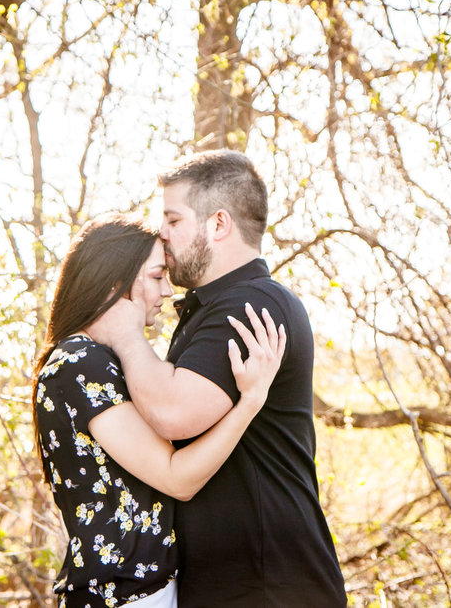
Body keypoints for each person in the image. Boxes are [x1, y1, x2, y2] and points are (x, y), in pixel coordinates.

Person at [88, 151, 347, 606]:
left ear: (219, 224)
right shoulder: (217, 308)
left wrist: (127, 337)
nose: (161, 235)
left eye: (172, 219)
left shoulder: (252, 305)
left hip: (268, 586)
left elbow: (172, 413)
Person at [33, 214, 287, 608]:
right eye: (156, 277)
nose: (168, 291)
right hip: (122, 596)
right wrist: (250, 401)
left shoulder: (104, 361)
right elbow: (177, 478)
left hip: (141, 591)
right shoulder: (81, 363)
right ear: (115, 284)